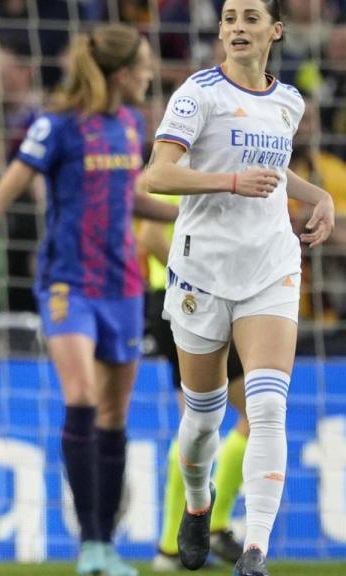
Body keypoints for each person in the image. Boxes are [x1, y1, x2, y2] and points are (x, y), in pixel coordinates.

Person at [0, 23, 178, 576]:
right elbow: (2, 193)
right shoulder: (56, 126)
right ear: (120, 72)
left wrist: (192, 213)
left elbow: (129, 194)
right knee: (81, 398)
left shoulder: (131, 125)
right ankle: (88, 546)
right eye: (145, 66)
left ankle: (105, 545)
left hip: (125, 287)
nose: (151, 75)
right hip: (66, 284)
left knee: (114, 416)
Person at [137, 1, 336, 574]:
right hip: (202, 272)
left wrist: (315, 195)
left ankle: (255, 548)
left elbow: (272, 168)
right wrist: (227, 181)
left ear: (275, 30)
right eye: (229, 18)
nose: (237, 28)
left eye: (251, 17)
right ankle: (198, 507)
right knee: (203, 417)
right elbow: (157, 174)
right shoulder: (198, 94)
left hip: (270, 270)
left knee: (269, 409)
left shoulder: (289, 101)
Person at [139, 200, 251, 571]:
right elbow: (149, 235)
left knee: (197, 419)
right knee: (250, 413)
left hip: (175, 301)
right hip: (188, 300)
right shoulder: (183, 165)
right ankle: (208, 529)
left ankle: (173, 547)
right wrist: (197, 281)